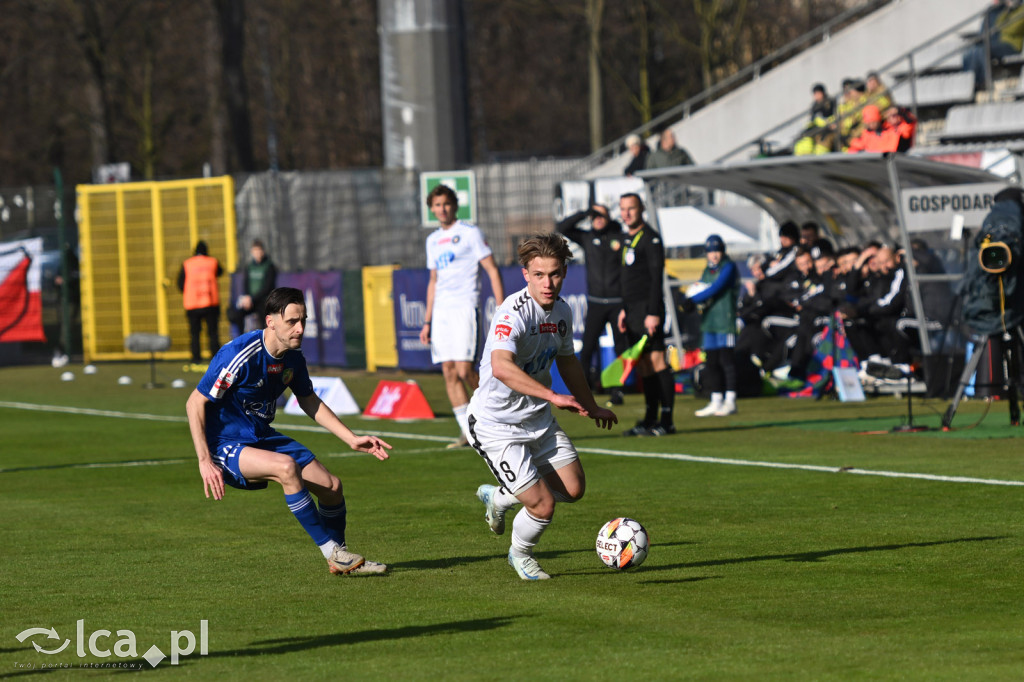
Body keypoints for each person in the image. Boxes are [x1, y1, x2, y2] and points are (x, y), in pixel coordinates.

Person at [185, 287, 391, 576]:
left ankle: (341, 558)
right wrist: (204, 460)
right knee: (286, 468)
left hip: (261, 436)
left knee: (332, 487)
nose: (301, 328)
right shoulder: (239, 354)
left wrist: (352, 438)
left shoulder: (293, 358)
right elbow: (195, 402)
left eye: (303, 320)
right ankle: (332, 553)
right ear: (270, 321)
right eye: (292, 321)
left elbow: (308, 399)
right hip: (225, 443)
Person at [469, 234, 617, 580]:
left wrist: (591, 405)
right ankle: (520, 555)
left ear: (564, 272)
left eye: (554, 274)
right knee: (542, 505)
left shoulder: (562, 310)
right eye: (539, 274)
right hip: (496, 424)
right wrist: (554, 396)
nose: (547, 283)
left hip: (537, 418)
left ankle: (501, 498)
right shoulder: (512, 312)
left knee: (573, 489)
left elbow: (567, 361)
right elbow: (503, 367)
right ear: (525, 274)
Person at [419, 184, 505, 448]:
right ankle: (468, 433)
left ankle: (497, 416)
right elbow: (433, 280)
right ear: (431, 209)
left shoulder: (470, 233)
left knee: (466, 370)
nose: (442, 209)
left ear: (454, 205)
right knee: (448, 372)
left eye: (446, 203)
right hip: (442, 312)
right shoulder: (432, 240)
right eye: (437, 205)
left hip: (465, 306)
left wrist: (502, 308)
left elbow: (491, 269)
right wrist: (427, 320)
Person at [616, 193, 676, 436]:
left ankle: (667, 419)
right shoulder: (626, 239)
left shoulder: (651, 239)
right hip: (631, 310)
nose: (626, 214)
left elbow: (655, 280)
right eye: (622, 209)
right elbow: (628, 280)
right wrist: (623, 309)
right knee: (643, 367)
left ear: (641, 210)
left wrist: (652, 313)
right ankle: (650, 418)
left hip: (648, 310)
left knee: (658, 361)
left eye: (631, 208)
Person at [556, 204, 627, 404]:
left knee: (620, 348)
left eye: (600, 215)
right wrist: (584, 212)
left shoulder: (619, 237)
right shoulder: (587, 237)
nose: (597, 219)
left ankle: (617, 390)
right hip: (596, 303)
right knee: (587, 348)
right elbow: (563, 227)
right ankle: (584, 390)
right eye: (594, 216)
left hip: (617, 302)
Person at [682, 235, 740, 417]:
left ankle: (730, 401)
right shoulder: (707, 270)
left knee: (727, 361)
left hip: (725, 320)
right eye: (710, 252)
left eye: (717, 251)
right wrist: (695, 302)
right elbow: (703, 286)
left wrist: (692, 300)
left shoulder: (728, 267)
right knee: (711, 362)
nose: (714, 255)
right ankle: (716, 400)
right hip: (709, 322)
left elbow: (716, 288)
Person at [177, 240, 223, 366]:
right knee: (213, 333)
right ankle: (215, 358)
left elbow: (180, 284)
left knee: (194, 334)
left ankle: (195, 358)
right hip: (210, 303)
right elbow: (220, 272)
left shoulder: (187, 264)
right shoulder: (212, 262)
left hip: (192, 305)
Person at [962, 0, 1024, 85]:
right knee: (972, 48)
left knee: (983, 48)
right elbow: (999, 23)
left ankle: (983, 81)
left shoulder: (1021, 11)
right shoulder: (1009, 10)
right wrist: (1006, 9)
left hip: (1012, 45)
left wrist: (1007, 15)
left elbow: (1011, 29)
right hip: (1000, 42)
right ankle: (969, 81)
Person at [227, 239, 278, 335]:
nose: (257, 253)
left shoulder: (269, 266)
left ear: (263, 251)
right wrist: (247, 298)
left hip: (264, 301)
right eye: (255, 251)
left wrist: (252, 298)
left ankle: (267, 343)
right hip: (251, 301)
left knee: (266, 319)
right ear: (252, 252)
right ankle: (242, 341)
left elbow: (267, 287)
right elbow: (246, 284)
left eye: (259, 250)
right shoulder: (249, 266)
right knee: (236, 314)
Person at [846, 104, 917, 153]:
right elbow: (858, 145)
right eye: (889, 115)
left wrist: (903, 112)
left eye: (894, 115)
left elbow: (910, 124)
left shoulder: (897, 129)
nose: (891, 117)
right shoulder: (868, 133)